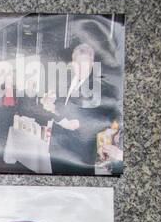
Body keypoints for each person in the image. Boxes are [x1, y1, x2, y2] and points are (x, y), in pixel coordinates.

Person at [41, 39, 123, 175]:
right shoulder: (64, 82)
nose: (81, 68)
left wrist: (56, 112)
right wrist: (48, 102)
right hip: (57, 147)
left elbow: (100, 117)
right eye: (78, 64)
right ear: (73, 63)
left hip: (79, 153)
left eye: (85, 64)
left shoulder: (101, 88)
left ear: (92, 64)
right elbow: (55, 108)